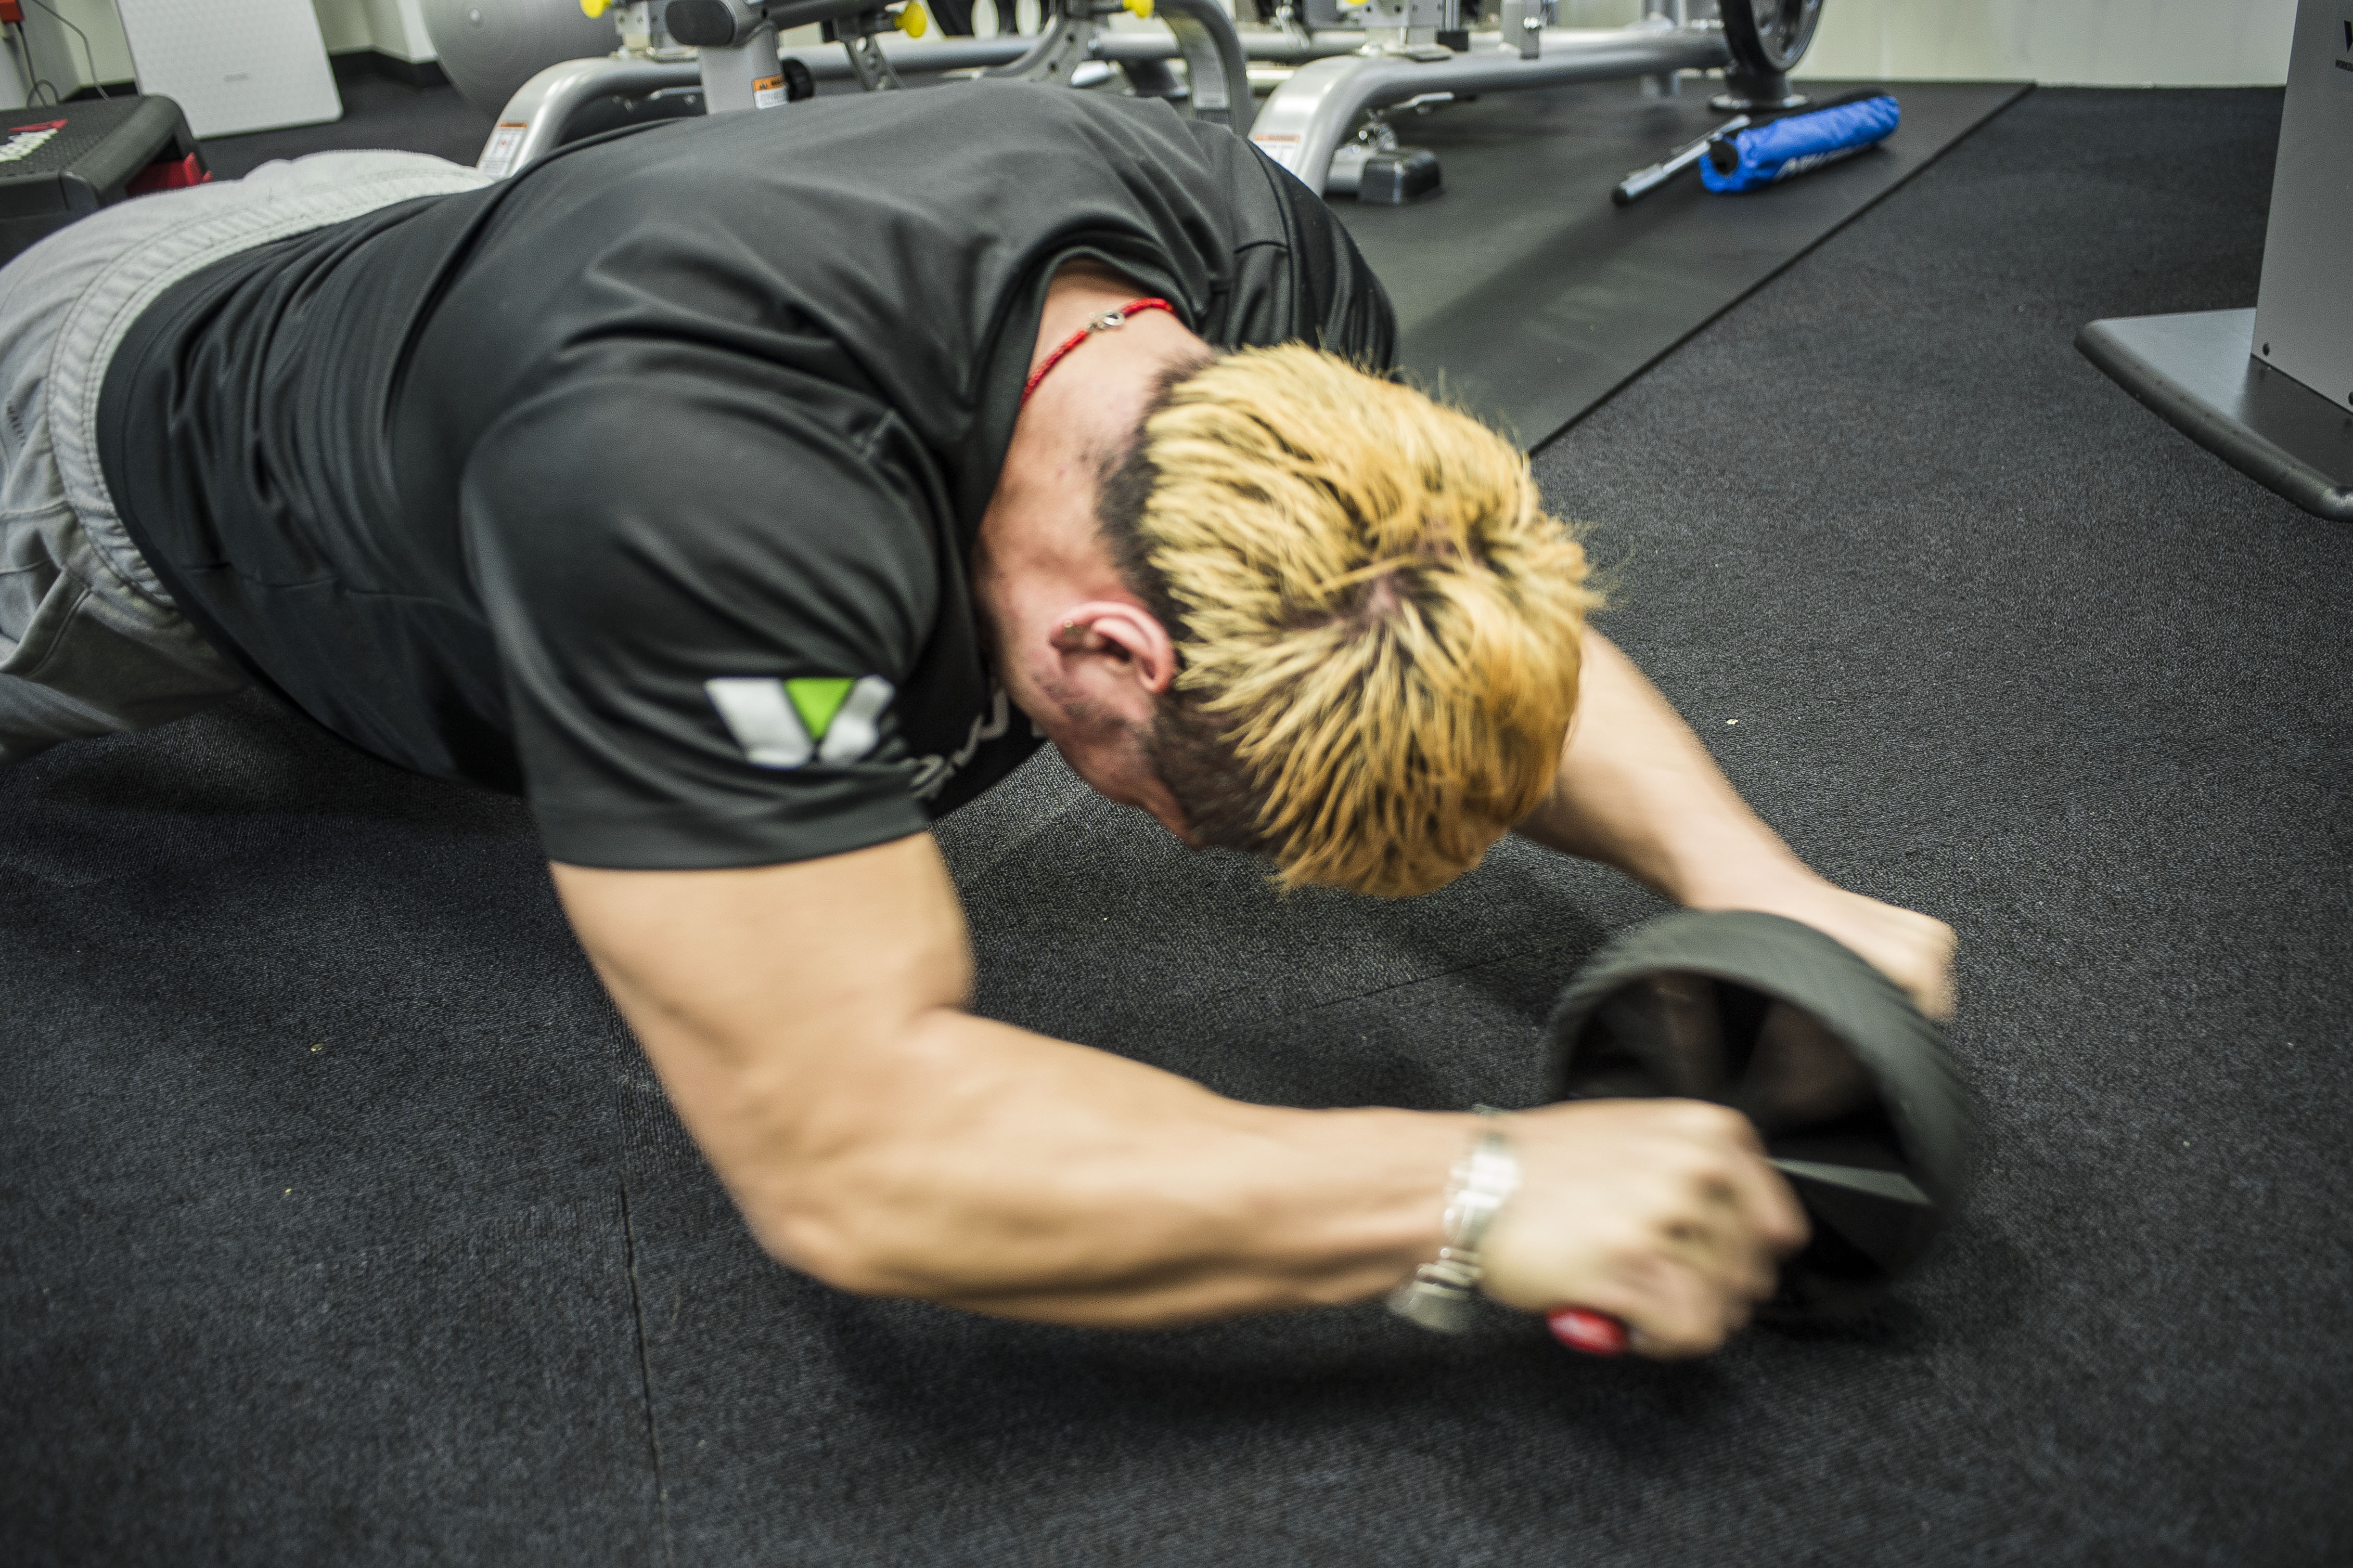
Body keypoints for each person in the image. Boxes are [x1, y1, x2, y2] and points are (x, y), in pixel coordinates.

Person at [0, 84, 1951, 1357]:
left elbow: (1438, 596)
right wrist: (1480, 1192)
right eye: (1204, 819)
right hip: (100, 474)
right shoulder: (701, 496)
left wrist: (1758, 888)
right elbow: (855, 1150)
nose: (1185, 848)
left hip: (449, 243)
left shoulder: (1248, 270)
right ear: (1115, 653)